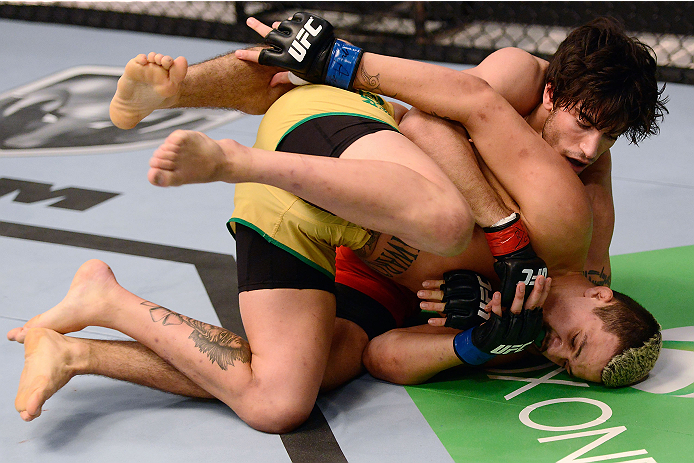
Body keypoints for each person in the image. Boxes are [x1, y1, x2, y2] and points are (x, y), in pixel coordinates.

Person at [7, 16, 662, 433]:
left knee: (288, 392)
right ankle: (191, 106)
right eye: (571, 343)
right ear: (554, 95)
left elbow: (387, 354)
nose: (589, 149)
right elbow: (435, 116)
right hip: (363, 157)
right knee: (437, 209)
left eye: (610, 136)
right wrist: (505, 237)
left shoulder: (552, 272)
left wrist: (476, 337)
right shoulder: (547, 172)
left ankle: (90, 330)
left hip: (345, 227)